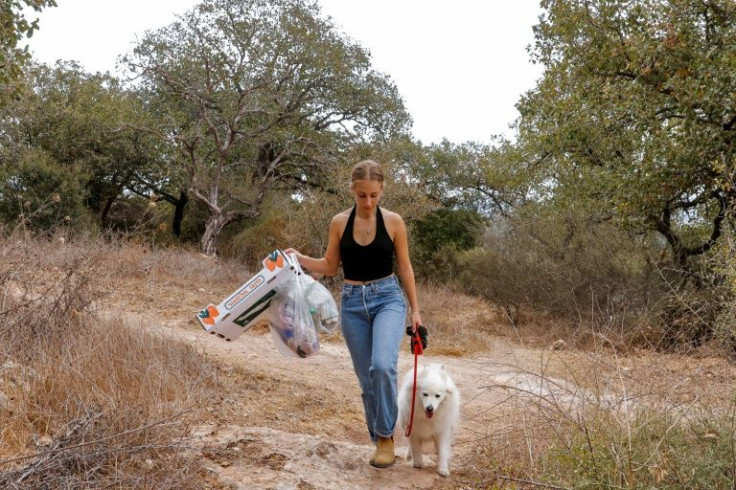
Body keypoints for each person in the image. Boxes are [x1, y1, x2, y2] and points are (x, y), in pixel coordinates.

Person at [286, 159, 422, 468]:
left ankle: (387, 436)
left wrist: (416, 310)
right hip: (352, 303)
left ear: (382, 190)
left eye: (374, 195)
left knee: (383, 367)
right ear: (352, 190)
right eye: (362, 195)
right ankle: (379, 439)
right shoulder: (338, 223)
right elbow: (330, 266)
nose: (368, 202)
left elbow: (405, 267)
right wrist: (301, 258)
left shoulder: (394, 222)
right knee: (366, 378)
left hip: (388, 298)